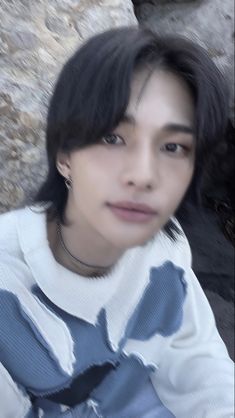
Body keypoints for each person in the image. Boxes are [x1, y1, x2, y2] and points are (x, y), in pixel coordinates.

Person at [0, 26, 234, 418]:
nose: (144, 175)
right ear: (64, 155)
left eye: (173, 147)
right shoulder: (9, 280)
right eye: (112, 138)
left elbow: (201, 366)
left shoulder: (165, 252)